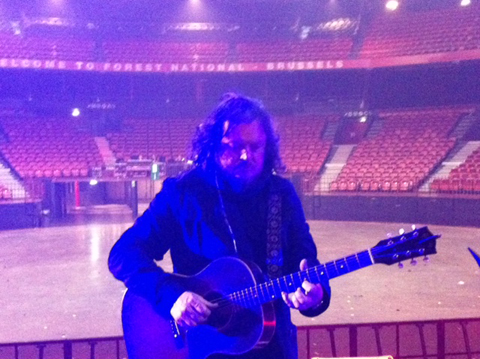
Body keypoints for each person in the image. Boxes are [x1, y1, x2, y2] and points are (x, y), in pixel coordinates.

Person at [108, 93, 331, 359]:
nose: (246, 156)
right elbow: (123, 253)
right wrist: (171, 296)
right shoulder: (183, 193)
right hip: (200, 347)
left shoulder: (281, 195)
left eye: (255, 146)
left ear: (267, 147)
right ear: (212, 147)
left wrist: (316, 295)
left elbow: (304, 261)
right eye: (233, 146)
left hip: (272, 346)